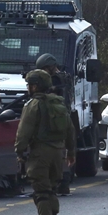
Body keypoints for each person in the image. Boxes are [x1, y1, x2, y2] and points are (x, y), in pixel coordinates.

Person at [15, 69, 75, 215]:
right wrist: (71, 152)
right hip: (58, 152)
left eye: (29, 85)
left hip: (40, 153)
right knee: (52, 189)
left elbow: (23, 132)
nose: (28, 88)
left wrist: (20, 152)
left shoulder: (32, 105)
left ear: (35, 86)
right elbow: (70, 130)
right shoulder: (59, 103)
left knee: (41, 192)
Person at [35, 53, 76, 195]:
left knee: (61, 153)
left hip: (58, 118)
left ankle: (62, 183)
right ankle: (61, 184)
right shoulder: (61, 77)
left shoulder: (58, 79)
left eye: (45, 69)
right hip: (59, 117)